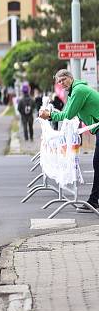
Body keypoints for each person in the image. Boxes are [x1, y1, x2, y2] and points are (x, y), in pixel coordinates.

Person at [40, 69, 99, 213]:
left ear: (70, 78)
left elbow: (67, 115)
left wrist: (50, 115)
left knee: (97, 162)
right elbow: (68, 113)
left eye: (63, 80)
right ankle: (94, 200)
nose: (61, 84)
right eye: (59, 82)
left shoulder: (78, 90)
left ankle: (93, 201)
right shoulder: (74, 91)